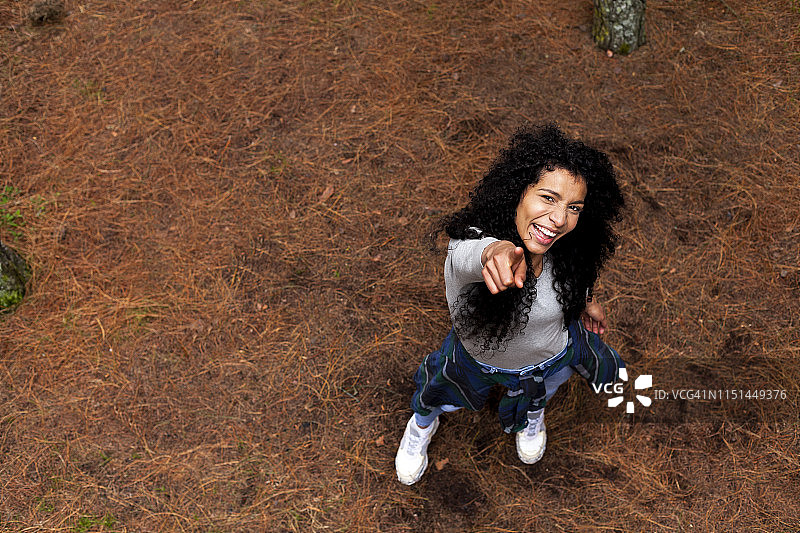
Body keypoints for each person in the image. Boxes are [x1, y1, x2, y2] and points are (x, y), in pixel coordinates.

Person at [395, 123, 626, 485]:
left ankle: (533, 416)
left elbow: (570, 283)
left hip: (548, 357)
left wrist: (585, 302)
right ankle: (422, 424)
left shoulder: (567, 249)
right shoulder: (468, 245)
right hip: (478, 360)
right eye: (548, 198)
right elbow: (475, 255)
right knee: (441, 394)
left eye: (574, 207)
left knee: (539, 393)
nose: (560, 219)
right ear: (519, 191)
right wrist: (495, 252)